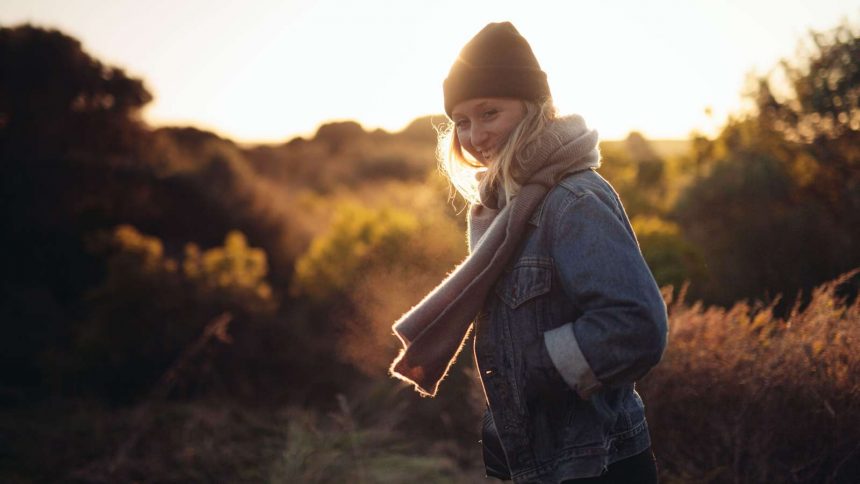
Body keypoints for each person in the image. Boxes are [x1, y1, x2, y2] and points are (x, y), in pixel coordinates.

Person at [390, 21, 668, 483]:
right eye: (461, 121)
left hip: (596, 464)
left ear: (533, 107)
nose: (475, 135)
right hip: (531, 461)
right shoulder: (500, 207)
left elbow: (636, 325)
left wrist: (539, 368)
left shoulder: (574, 200)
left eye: (489, 112)